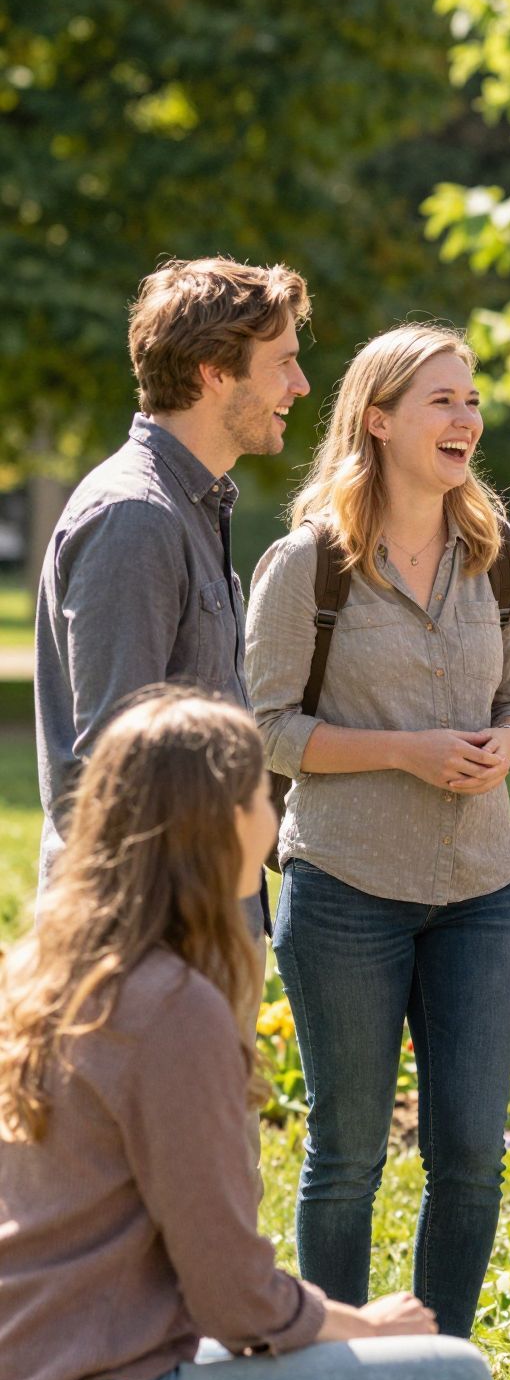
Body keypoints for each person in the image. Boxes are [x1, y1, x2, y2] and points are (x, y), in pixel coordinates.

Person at [0, 691, 492, 1380]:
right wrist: (367, 1331)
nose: (276, 811)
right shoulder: (170, 1007)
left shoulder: (47, 976)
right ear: (222, 825)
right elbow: (235, 1297)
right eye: (265, 796)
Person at [246, 323, 510, 1380]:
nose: (464, 419)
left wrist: (507, 740)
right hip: (346, 885)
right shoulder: (308, 564)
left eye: (471, 400)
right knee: (350, 1146)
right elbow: (269, 725)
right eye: (439, 399)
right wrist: (406, 750)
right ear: (377, 417)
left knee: (471, 1147)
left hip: (477, 886)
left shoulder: (498, 552)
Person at [35, 254, 311, 936]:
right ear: (214, 373)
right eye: (282, 362)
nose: (301, 385)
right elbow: (114, 771)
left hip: (204, 922)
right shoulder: (137, 517)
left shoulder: (193, 506)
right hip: (157, 936)